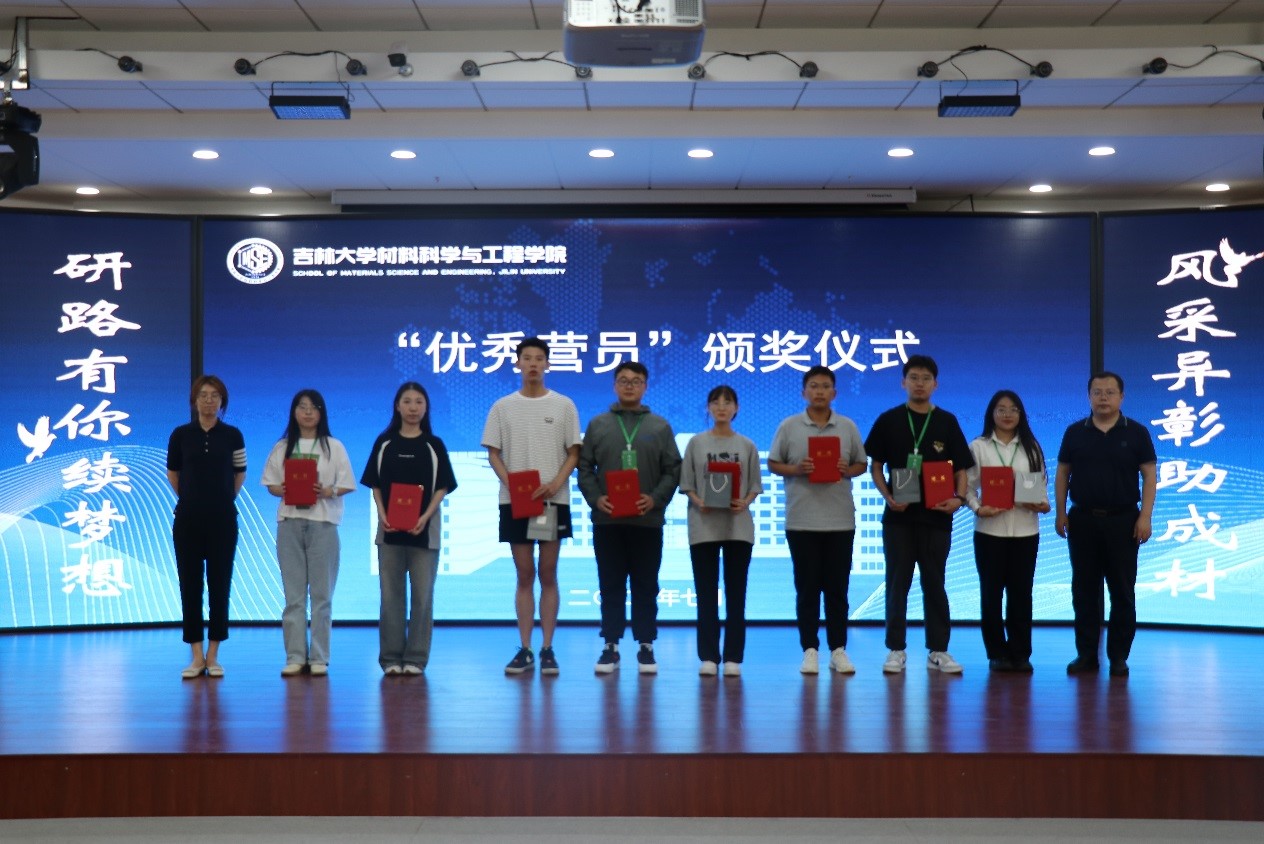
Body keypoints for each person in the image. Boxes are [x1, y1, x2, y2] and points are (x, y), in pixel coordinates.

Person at [865, 354, 974, 675]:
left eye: (926, 378)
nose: (920, 383)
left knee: (935, 582)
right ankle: (896, 649)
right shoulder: (888, 419)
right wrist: (887, 497)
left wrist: (958, 499)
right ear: (903, 382)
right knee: (897, 583)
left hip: (937, 517)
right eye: (914, 377)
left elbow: (961, 468)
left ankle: (938, 649)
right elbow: (875, 465)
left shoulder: (947, 421)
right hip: (898, 517)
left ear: (935, 384)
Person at [482, 337, 582, 676]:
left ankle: (548, 648)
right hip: (516, 500)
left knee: (548, 572)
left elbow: (574, 452)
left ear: (548, 364)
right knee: (524, 574)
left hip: (552, 500)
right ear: (518, 363)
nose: (534, 364)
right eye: (527, 358)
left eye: (540, 358)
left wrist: (555, 483)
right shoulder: (502, 406)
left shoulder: (564, 405)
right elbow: (493, 452)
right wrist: (511, 483)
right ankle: (524, 649)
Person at [578, 361, 682, 675]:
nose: (629, 386)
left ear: (645, 387)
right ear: (614, 385)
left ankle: (646, 644)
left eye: (636, 381)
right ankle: (610, 645)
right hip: (608, 520)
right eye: (623, 380)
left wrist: (655, 499)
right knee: (610, 584)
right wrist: (597, 499)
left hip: (646, 520)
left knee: (646, 585)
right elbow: (584, 468)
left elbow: (673, 470)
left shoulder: (659, 426)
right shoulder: (598, 424)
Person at [1055, 371, 1156, 678]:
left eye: (1110, 392)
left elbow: (1149, 476)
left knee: (1122, 591)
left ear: (1121, 397)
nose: (1103, 398)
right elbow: (1062, 473)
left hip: (1124, 521)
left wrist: (1145, 516)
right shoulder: (1075, 432)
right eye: (1097, 392)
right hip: (1083, 520)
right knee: (1084, 590)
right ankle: (1086, 654)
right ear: (1089, 396)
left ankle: (1119, 657)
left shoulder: (1137, 432)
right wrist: (1061, 512)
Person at [767, 367, 867, 676]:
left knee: (837, 590)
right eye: (814, 386)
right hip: (802, 521)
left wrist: (847, 469)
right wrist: (797, 469)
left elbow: (862, 464)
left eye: (825, 386)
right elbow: (773, 463)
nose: (819, 391)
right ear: (804, 392)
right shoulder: (789, 426)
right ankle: (809, 649)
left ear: (834, 393)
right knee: (807, 589)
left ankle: (838, 650)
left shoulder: (847, 426)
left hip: (840, 520)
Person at [360, 382, 458, 676]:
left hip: (424, 532)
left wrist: (425, 516)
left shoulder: (434, 445)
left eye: (419, 402)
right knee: (390, 597)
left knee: (422, 597)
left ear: (426, 407)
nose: (413, 407)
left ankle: (416, 658)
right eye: (407, 401)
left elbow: (443, 486)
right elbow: (375, 484)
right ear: (397, 406)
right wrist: (382, 513)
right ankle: (390, 658)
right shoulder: (384, 443)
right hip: (389, 531)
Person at [261, 389, 356, 677]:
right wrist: (283, 489)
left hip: (323, 524)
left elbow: (347, 484)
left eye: (313, 407)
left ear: (321, 413)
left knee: (322, 595)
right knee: (294, 596)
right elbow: (270, 484)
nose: (307, 412)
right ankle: (295, 656)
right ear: (294, 412)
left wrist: (328, 491)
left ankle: (319, 657)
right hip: (290, 523)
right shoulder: (282, 447)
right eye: (302, 407)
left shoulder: (333, 447)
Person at [963, 390, 1050, 673]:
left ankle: (1021, 653)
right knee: (991, 595)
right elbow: (966, 486)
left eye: (1013, 409)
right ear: (992, 414)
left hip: (1026, 531)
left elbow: (1041, 486)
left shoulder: (1032, 447)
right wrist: (978, 508)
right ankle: (996, 653)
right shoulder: (978, 447)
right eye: (1001, 409)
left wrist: (1043, 505)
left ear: (1021, 414)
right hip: (989, 531)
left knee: (1021, 594)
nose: (1007, 414)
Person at [679, 385, 764, 677]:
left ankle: (733, 657)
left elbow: (755, 485)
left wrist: (745, 502)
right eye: (715, 402)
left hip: (738, 526)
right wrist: (698, 501)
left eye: (728, 402)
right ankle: (708, 656)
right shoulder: (696, 443)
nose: (722, 407)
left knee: (736, 595)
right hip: (703, 525)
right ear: (708, 408)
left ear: (736, 408)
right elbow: (686, 483)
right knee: (706, 594)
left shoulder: (747, 445)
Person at [166, 375, 246, 680]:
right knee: (190, 587)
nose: (209, 400)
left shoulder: (233, 435)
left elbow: (240, 473)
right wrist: (191, 499)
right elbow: (173, 473)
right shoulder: (180, 435)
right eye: (203, 395)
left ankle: (214, 655)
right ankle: (196, 656)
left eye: (214, 395)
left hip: (223, 520)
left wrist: (222, 499)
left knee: (219, 586)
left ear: (222, 401)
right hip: (187, 520)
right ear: (194, 400)